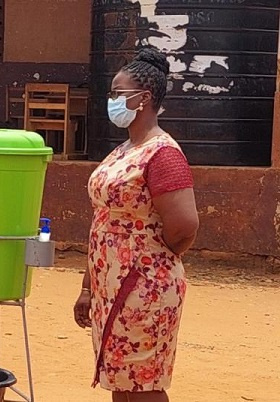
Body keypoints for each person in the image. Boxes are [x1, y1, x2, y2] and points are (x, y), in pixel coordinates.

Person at [73, 48, 199, 402]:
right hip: (109, 286)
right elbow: (103, 220)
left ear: (143, 99)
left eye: (117, 93)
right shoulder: (124, 150)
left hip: (145, 289)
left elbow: (185, 227)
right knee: (120, 377)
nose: (111, 100)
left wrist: (148, 261)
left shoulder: (163, 154)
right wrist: (89, 286)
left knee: (143, 382)